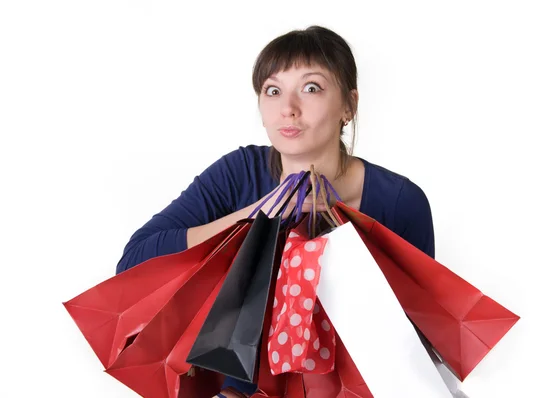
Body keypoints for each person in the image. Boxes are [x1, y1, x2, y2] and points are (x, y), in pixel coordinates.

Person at [115, 25, 435, 398]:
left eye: (311, 88)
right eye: (273, 90)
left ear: (349, 105)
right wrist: (255, 216)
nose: (288, 108)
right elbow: (134, 263)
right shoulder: (238, 174)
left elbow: (421, 337)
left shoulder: (399, 201)